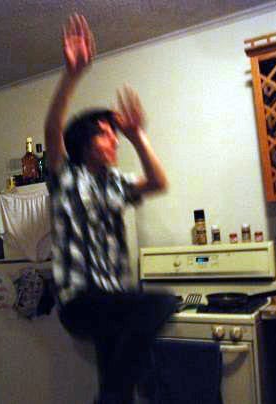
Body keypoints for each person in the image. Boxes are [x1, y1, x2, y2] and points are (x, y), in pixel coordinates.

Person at [45, 14, 176, 404]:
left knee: (122, 369)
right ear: (85, 143)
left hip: (112, 299)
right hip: (80, 301)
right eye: (106, 134)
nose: (114, 141)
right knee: (162, 302)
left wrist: (137, 135)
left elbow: (158, 182)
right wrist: (72, 75)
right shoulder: (66, 174)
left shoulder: (115, 183)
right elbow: (52, 130)